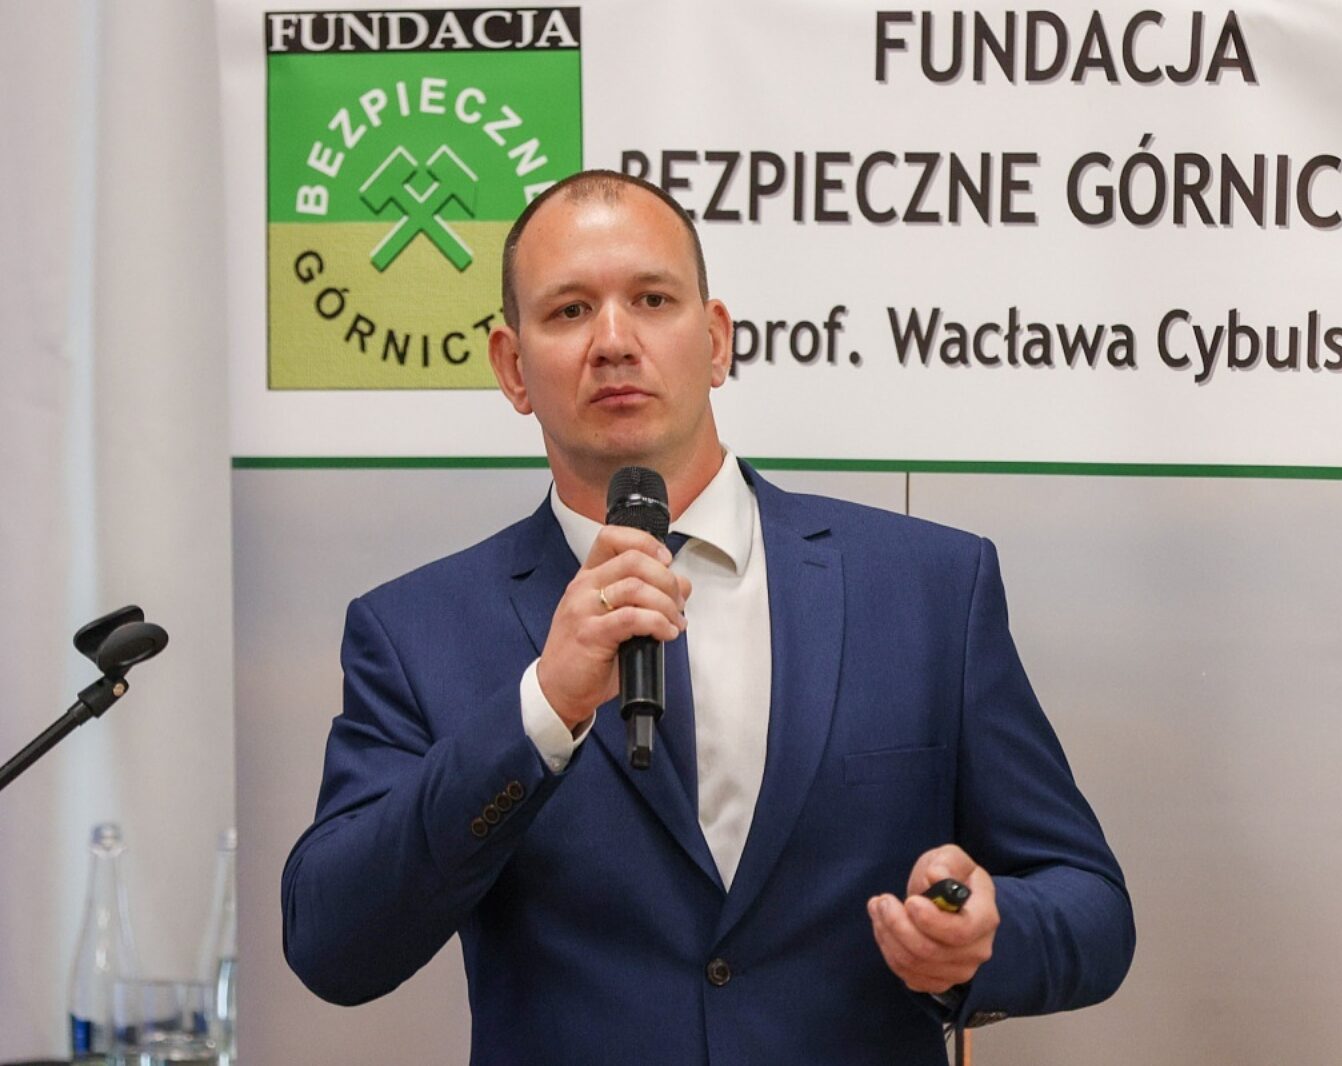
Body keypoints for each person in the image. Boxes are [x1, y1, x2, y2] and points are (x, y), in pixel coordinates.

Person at [281, 170, 1134, 1065]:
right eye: (570, 311)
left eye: (652, 300)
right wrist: (540, 710)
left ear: (717, 340)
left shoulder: (927, 590)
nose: (614, 341)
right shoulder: (415, 633)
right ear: (511, 367)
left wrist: (982, 942)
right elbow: (333, 944)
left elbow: (1091, 906)